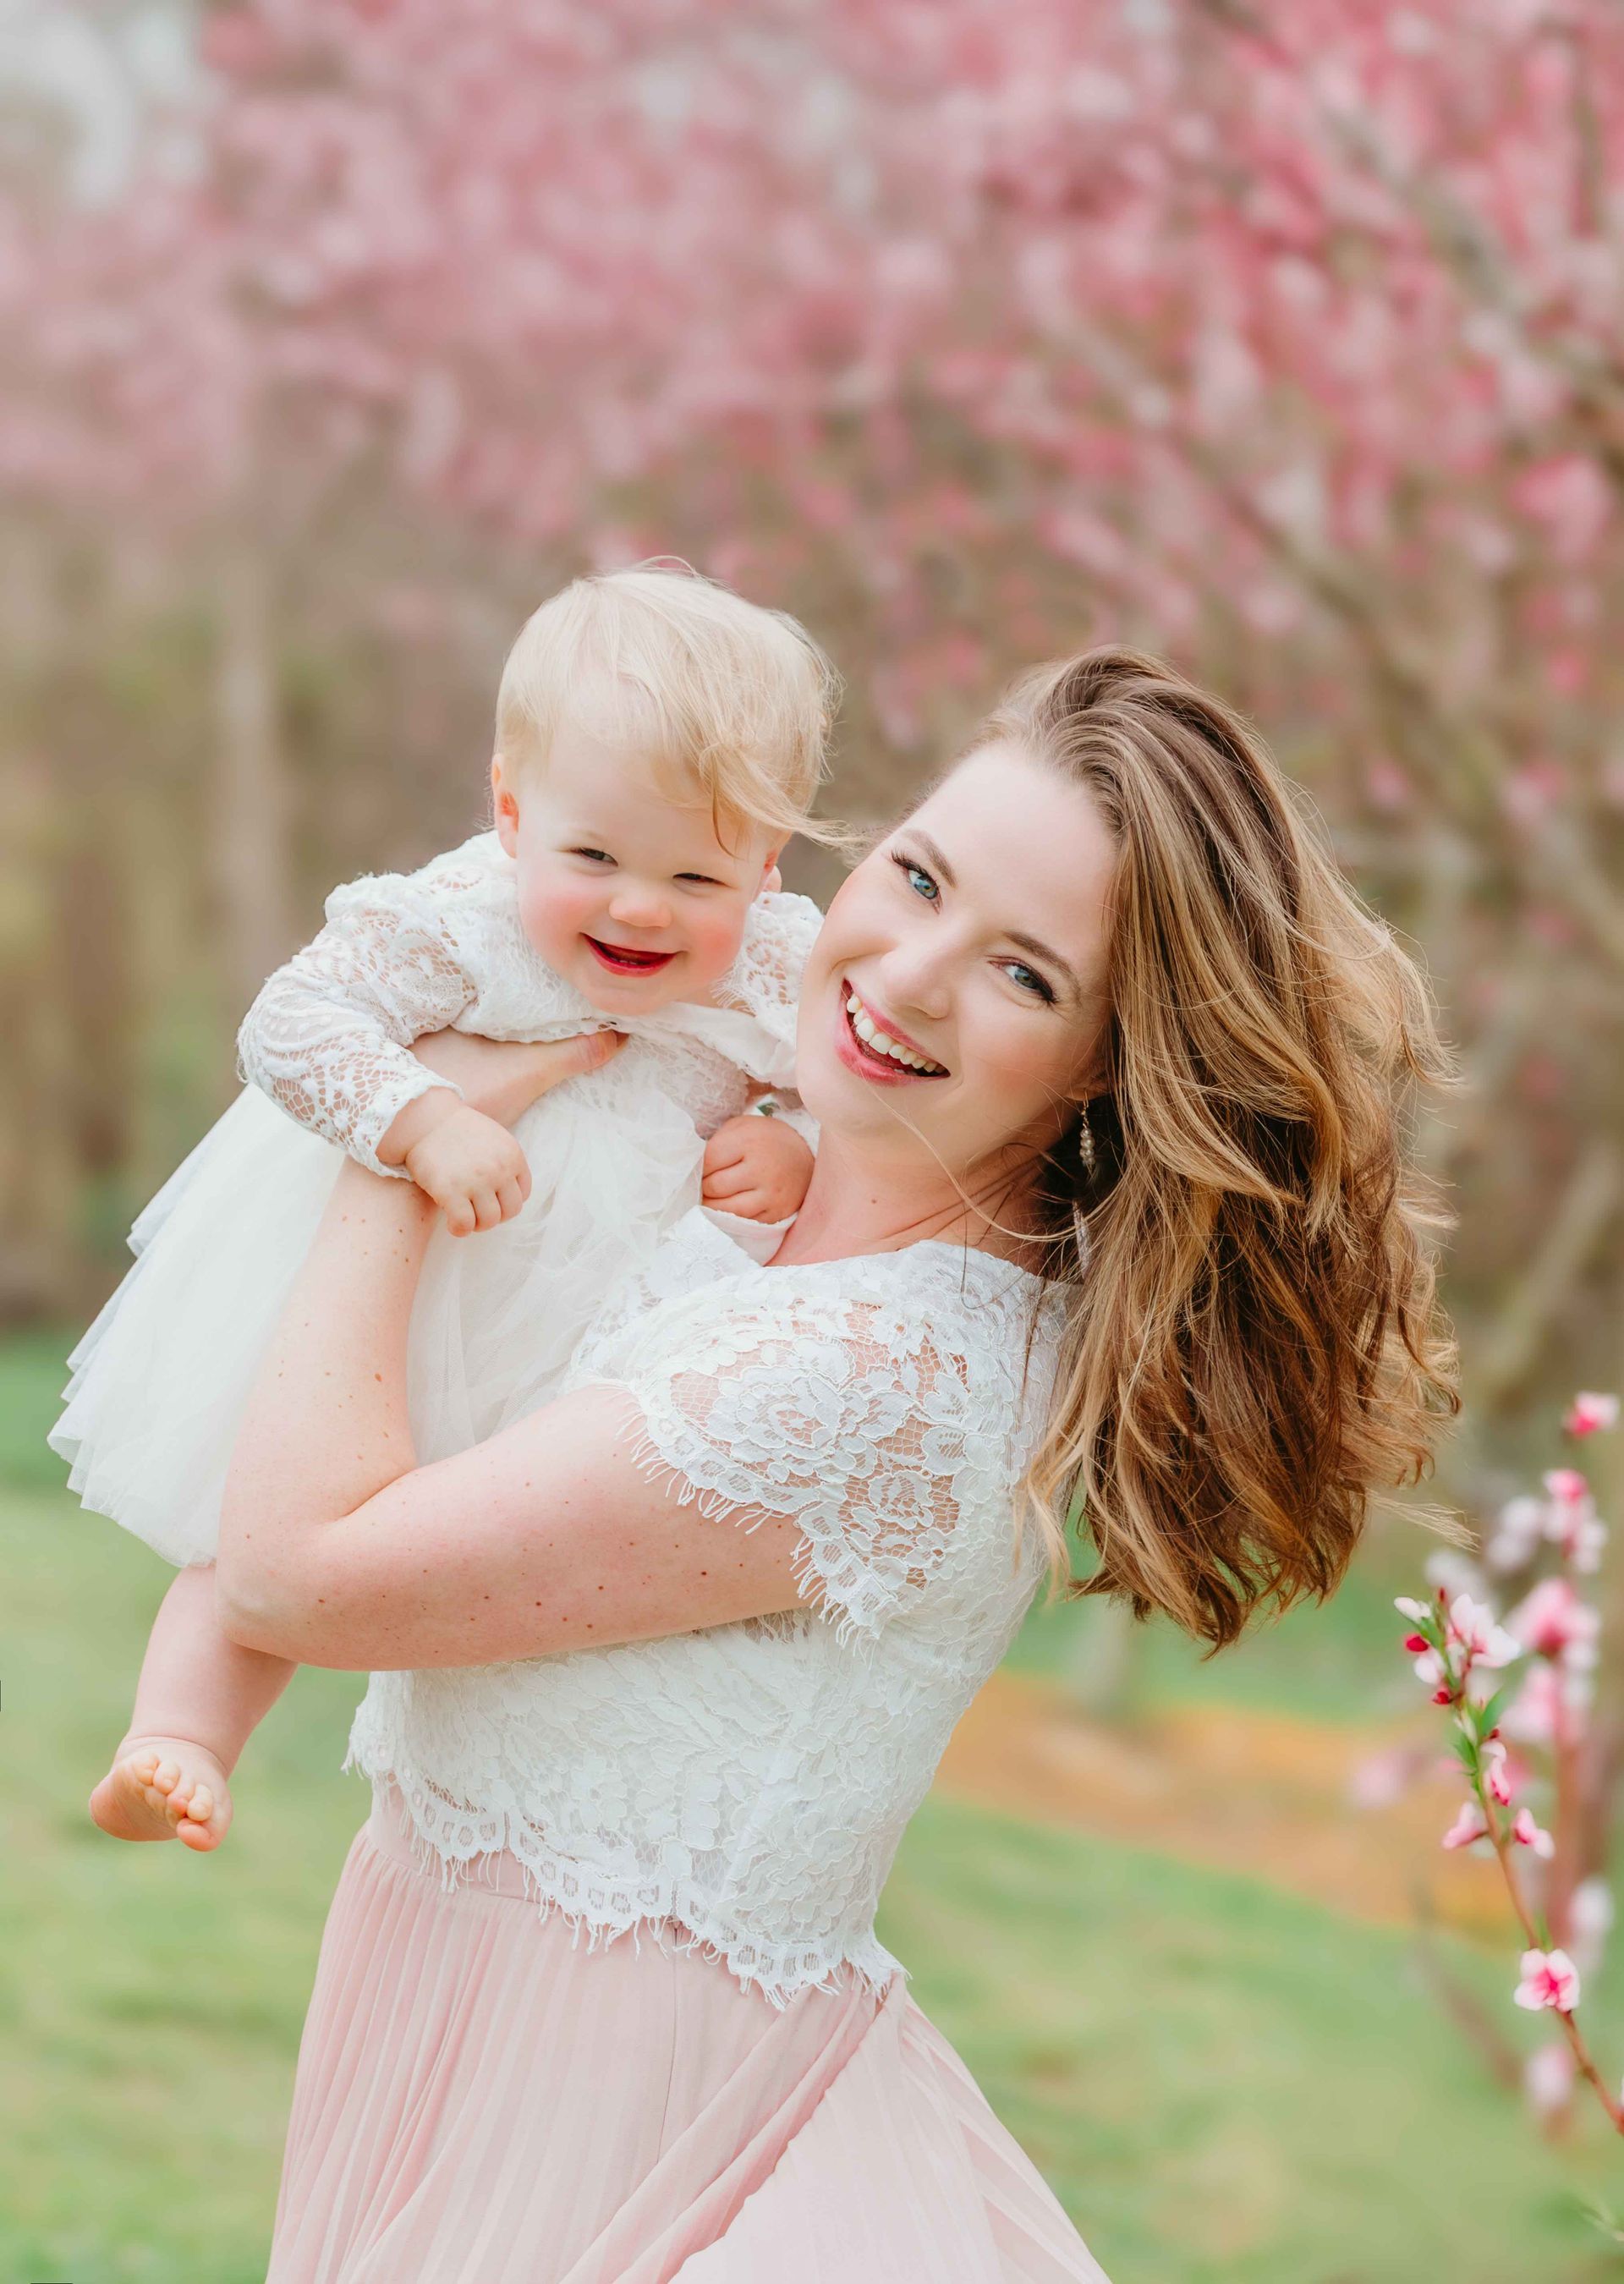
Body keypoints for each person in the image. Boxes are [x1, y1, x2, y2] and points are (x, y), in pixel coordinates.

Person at [215, 647, 1457, 2281]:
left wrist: (401, 1137)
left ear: (1104, 1058)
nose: (910, 973)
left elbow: (298, 1572)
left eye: (1024, 973)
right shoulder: (742, 1175)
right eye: (919, 877)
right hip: (489, 2043)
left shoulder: (879, 1381)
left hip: (630, 2141)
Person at [54, 562, 838, 1855]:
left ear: (768, 860)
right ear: (511, 809)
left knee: (496, 1563)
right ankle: (180, 1736)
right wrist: (422, 1120)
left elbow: (850, 1091)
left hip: (599, 1334)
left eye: (696, 880)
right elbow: (289, 1023)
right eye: (592, 855)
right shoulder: (460, 923)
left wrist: (790, 1142)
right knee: (253, 1529)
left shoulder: (778, 966)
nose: (639, 906)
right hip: (403, 1304)